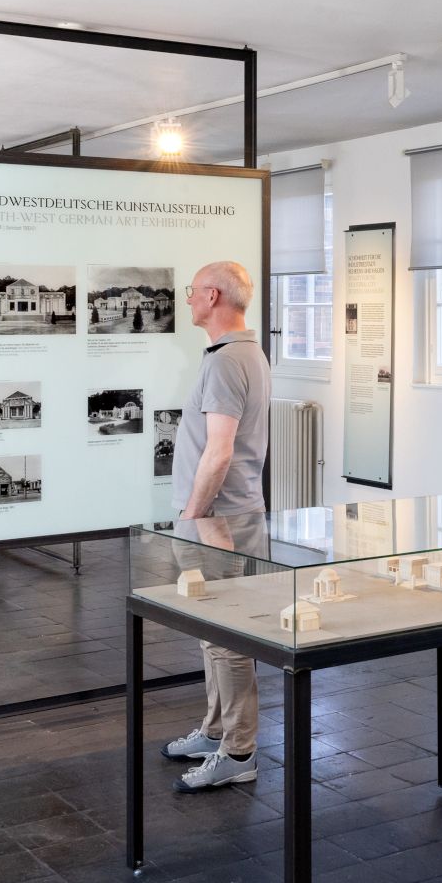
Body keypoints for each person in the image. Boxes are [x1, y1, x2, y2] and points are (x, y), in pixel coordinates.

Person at [160, 260, 271, 792]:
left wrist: (194, 514)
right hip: (224, 515)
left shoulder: (228, 361)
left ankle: (239, 751)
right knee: (213, 633)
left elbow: (220, 451)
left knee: (228, 639)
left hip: (217, 520)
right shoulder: (240, 353)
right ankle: (215, 731)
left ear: (211, 297)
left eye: (192, 291)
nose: (187, 299)